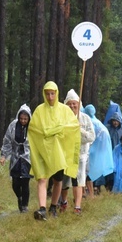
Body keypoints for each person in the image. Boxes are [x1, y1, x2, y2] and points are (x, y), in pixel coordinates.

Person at [27, 81, 81, 220]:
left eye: (52, 93)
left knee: (58, 180)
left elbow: (72, 126)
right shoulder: (39, 110)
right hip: (43, 151)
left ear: (56, 93)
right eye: (47, 94)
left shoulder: (64, 110)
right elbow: (33, 129)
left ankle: (53, 206)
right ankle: (42, 208)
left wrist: (56, 130)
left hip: (59, 152)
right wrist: (50, 132)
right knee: (42, 178)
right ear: (44, 94)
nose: (50, 97)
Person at [58, 90, 95, 215]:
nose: (72, 106)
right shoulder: (62, 119)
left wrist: (80, 130)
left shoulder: (85, 119)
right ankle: (63, 202)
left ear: (79, 104)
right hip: (65, 155)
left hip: (80, 155)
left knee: (78, 181)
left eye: (74, 104)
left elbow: (91, 137)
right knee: (64, 181)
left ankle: (77, 206)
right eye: (69, 104)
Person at [0, 104, 33, 213]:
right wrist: (4, 156)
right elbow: (7, 141)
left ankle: (24, 206)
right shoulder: (13, 126)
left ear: (29, 118)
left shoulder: (33, 127)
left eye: (25, 119)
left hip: (27, 159)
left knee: (25, 182)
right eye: (21, 118)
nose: (23, 121)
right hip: (15, 158)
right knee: (15, 183)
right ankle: (19, 197)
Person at [83, 104, 113, 196]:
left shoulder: (90, 122)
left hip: (91, 152)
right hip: (99, 152)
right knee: (89, 174)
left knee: (87, 174)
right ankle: (88, 193)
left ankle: (89, 194)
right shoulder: (99, 122)